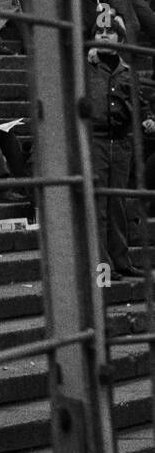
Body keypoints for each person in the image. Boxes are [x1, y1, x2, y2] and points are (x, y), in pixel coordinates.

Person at [85, 28, 147, 278]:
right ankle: (102, 263)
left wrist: (148, 119)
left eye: (110, 33)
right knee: (99, 204)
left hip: (121, 141)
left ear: (120, 40)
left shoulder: (126, 72)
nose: (104, 37)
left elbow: (139, 102)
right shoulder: (86, 65)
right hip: (96, 139)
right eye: (99, 33)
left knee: (118, 203)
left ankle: (121, 259)